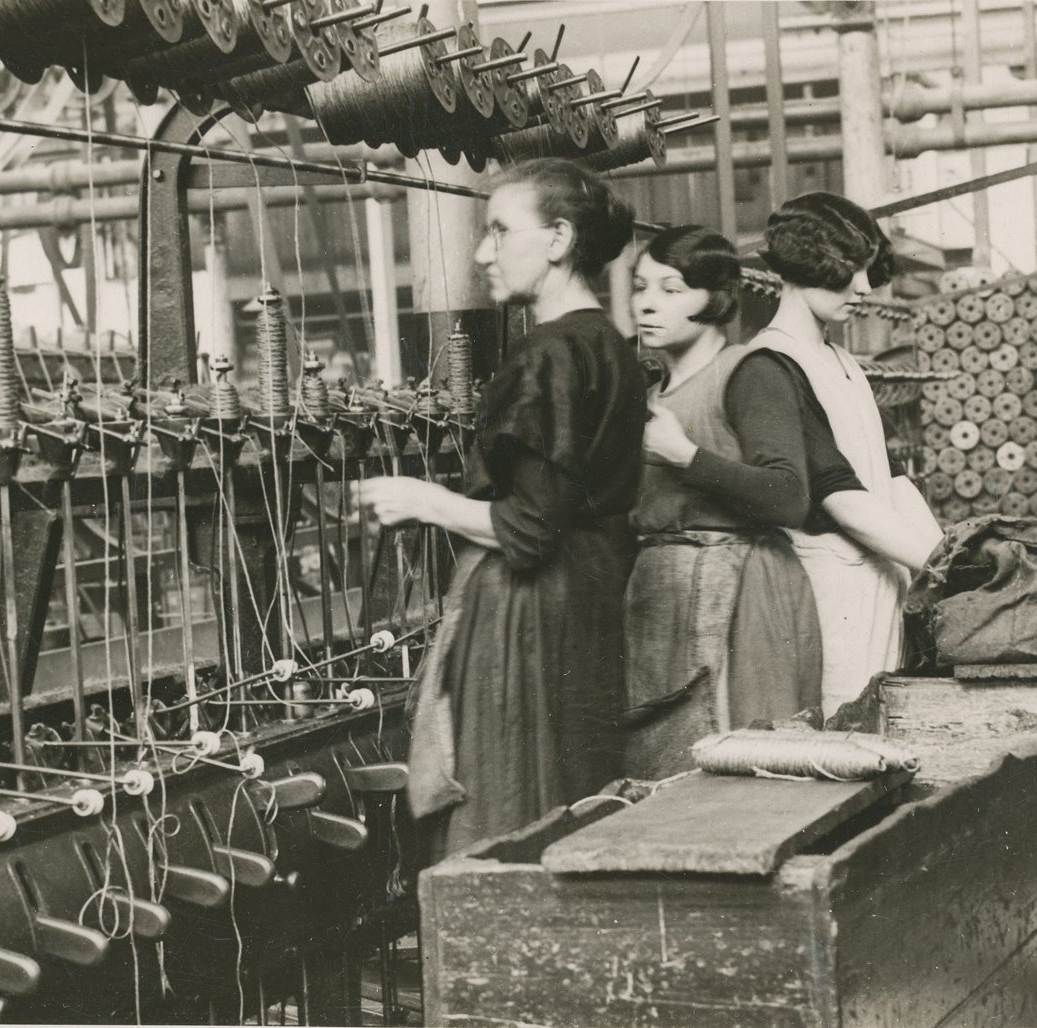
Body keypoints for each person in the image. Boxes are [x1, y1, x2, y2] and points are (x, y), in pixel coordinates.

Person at [355, 158, 645, 857]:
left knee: (507, 802)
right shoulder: (608, 343)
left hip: (528, 610)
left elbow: (528, 527)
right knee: (572, 798)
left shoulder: (547, 354)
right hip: (589, 598)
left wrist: (422, 499)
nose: (483, 253)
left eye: (499, 230)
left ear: (557, 240)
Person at [622, 227, 823, 779]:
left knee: (746, 767)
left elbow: (790, 497)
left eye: (670, 288)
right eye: (640, 287)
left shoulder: (749, 371)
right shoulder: (651, 396)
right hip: (667, 597)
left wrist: (686, 456)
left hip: (743, 594)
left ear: (716, 296)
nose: (646, 303)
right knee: (669, 766)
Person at [746, 192, 943, 713]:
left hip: (882, 587)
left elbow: (893, 477)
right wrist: (937, 564)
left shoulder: (842, 361)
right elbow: (837, 492)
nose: (863, 287)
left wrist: (947, 558)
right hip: (829, 596)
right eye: (847, 271)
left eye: (865, 270)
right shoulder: (770, 366)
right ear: (805, 261)